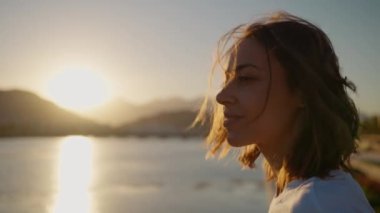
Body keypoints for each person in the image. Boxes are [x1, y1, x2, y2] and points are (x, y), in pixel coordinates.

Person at [191, 11, 375, 212]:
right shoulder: (320, 193)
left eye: (246, 78)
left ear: (303, 92)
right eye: (228, 79)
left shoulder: (314, 203)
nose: (221, 96)